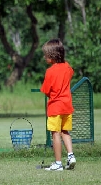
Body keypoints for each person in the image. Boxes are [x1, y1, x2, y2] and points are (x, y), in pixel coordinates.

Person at [40, 38, 76, 171]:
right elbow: (70, 73)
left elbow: (45, 90)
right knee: (65, 131)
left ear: (52, 56)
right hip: (67, 106)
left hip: (55, 107)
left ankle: (58, 163)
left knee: (55, 134)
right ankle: (71, 156)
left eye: (46, 55)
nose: (44, 58)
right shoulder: (67, 67)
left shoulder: (50, 71)